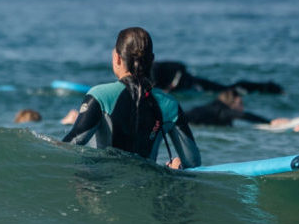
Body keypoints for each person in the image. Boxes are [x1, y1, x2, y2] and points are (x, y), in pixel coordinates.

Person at [62, 27, 201, 169]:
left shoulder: (100, 96)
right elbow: (193, 162)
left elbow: (68, 147)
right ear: (151, 60)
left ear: (117, 58)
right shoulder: (170, 104)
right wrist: (177, 166)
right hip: (147, 187)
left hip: (103, 185)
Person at [183, 88, 297, 129]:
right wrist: (269, 122)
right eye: (240, 103)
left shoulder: (214, 106)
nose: (242, 107)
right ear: (231, 103)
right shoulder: (223, 111)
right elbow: (244, 116)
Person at [152, 60, 282, 96]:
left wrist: (173, 85)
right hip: (190, 85)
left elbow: (180, 66)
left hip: (193, 83)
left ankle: (265, 87)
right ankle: (263, 88)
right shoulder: (154, 69)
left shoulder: (155, 67)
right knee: (224, 89)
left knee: (225, 90)